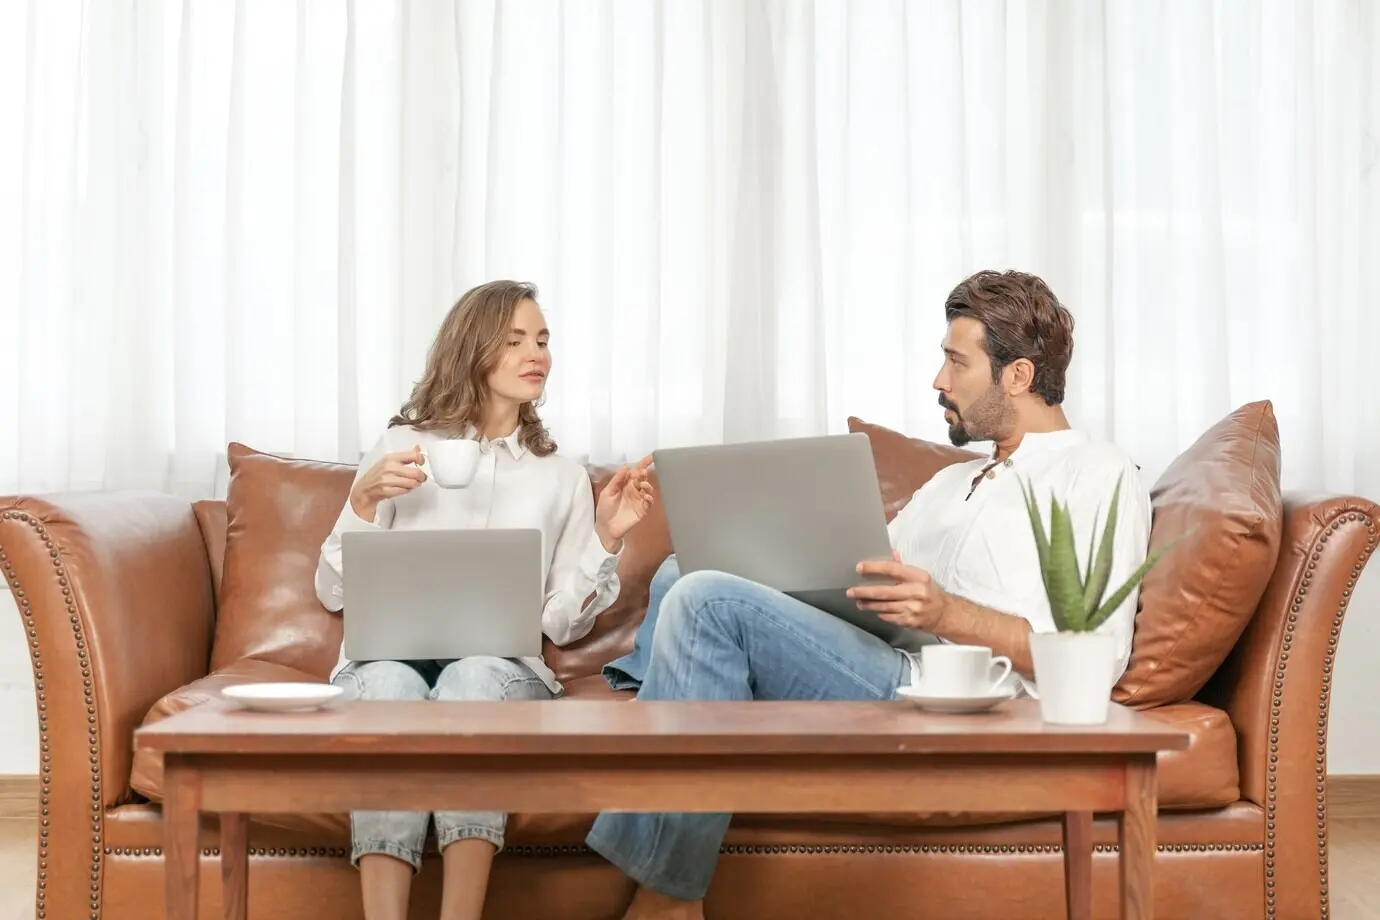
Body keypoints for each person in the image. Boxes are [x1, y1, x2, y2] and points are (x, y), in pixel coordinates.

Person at [589, 269, 1154, 920]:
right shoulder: (951, 483)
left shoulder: (1098, 472)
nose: (939, 381)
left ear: (1018, 376)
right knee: (686, 567)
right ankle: (667, 715)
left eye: (956, 362)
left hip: (958, 701)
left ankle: (667, 901)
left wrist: (948, 612)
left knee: (705, 602)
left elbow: (1095, 657)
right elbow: (867, 570)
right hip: (885, 653)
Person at [314, 279, 655, 920]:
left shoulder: (560, 475)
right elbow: (332, 593)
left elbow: (562, 624)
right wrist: (361, 503)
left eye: (543, 340)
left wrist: (606, 538)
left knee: (471, 678)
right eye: (516, 340)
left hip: (502, 673)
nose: (537, 354)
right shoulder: (400, 448)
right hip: (386, 661)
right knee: (387, 683)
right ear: (473, 349)